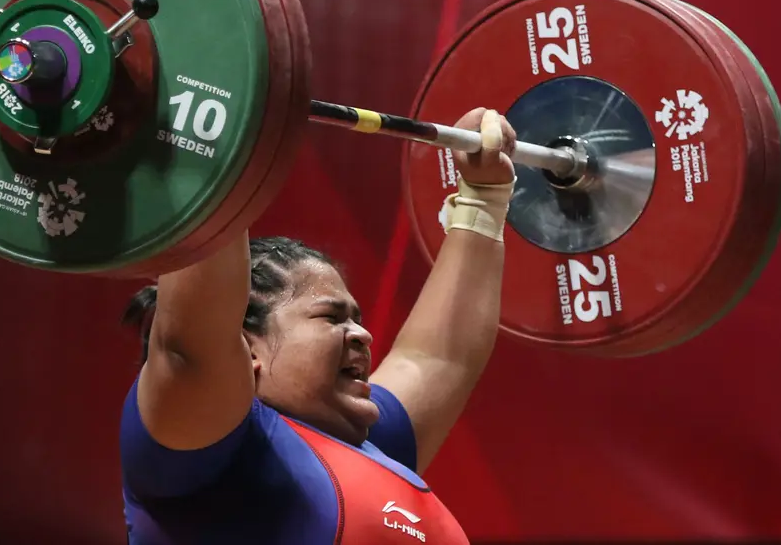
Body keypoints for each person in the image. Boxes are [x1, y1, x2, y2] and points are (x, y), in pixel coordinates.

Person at [118, 108, 518, 544]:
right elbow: (193, 343)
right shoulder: (205, 446)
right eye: (332, 317)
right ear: (248, 347)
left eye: (356, 319)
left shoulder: (369, 444)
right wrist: (210, 129)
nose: (363, 336)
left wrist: (484, 196)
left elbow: (438, 358)